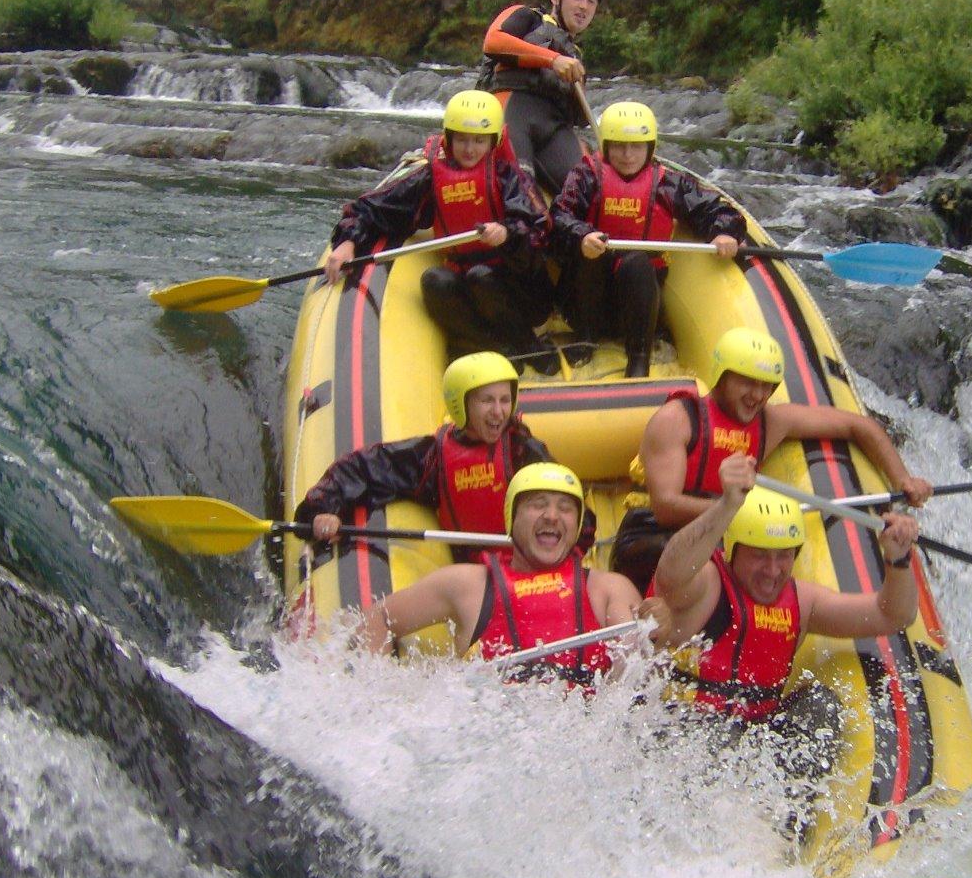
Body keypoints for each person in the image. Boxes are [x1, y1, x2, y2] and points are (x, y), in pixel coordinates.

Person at [648, 453, 921, 804]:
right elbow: (669, 575)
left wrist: (898, 560)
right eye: (760, 555)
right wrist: (728, 504)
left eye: (783, 556)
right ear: (733, 550)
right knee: (717, 736)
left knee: (820, 706)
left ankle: (786, 824)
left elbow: (892, 616)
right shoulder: (707, 587)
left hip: (755, 743)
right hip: (686, 736)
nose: (773, 570)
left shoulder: (804, 602)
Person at [611, 327, 935, 592]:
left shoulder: (771, 422)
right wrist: (742, 514)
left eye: (766, 386)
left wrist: (902, 479)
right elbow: (666, 506)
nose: (757, 395)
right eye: (747, 382)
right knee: (720, 566)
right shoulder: (677, 419)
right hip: (651, 535)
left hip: (722, 533)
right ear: (721, 377)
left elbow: (857, 426)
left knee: (758, 570)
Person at [359, 463, 644, 690]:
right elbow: (377, 618)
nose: (552, 516)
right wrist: (380, 693)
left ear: (577, 523)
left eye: (566, 508)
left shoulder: (609, 590)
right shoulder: (466, 585)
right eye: (537, 504)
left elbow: (633, 672)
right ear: (512, 517)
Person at [324, 90, 551, 361]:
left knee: (480, 276)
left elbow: (539, 230)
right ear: (448, 138)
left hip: (521, 288)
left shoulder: (508, 175)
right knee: (434, 281)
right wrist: (347, 241)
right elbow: (373, 208)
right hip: (470, 282)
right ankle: (494, 347)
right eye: (462, 140)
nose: (469, 149)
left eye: (479, 141)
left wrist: (508, 232)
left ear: (493, 141)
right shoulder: (432, 176)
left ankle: (529, 348)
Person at [552, 101, 745, 378]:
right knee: (592, 256)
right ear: (606, 146)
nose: (628, 155)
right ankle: (586, 339)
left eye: (636, 146)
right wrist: (581, 235)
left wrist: (725, 231)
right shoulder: (585, 177)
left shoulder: (668, 183)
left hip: (636, 305)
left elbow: (718, 209)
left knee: (637, 262)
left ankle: (638, 357)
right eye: (619, 146)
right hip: (585, 301)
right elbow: (559, 215)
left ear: (650, 148)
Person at [291, 352, 552, 544]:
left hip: (525, 566)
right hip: (472, 578)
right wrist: (321, 510)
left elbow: (565, 506)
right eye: (487, 401)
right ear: (461, 404)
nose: (499, 412)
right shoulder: (433, 458)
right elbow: (363, 467)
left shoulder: (523, 450)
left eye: (505, 400)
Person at [478, 0, 602, 197]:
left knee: (590, 194)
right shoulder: (526, 17)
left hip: (554, 129)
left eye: (591, 0)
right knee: (519, 192)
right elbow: (492, 42)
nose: (583, 6)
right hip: (514, 113)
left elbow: (578, 118)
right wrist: (553, 60)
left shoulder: (575, 56)